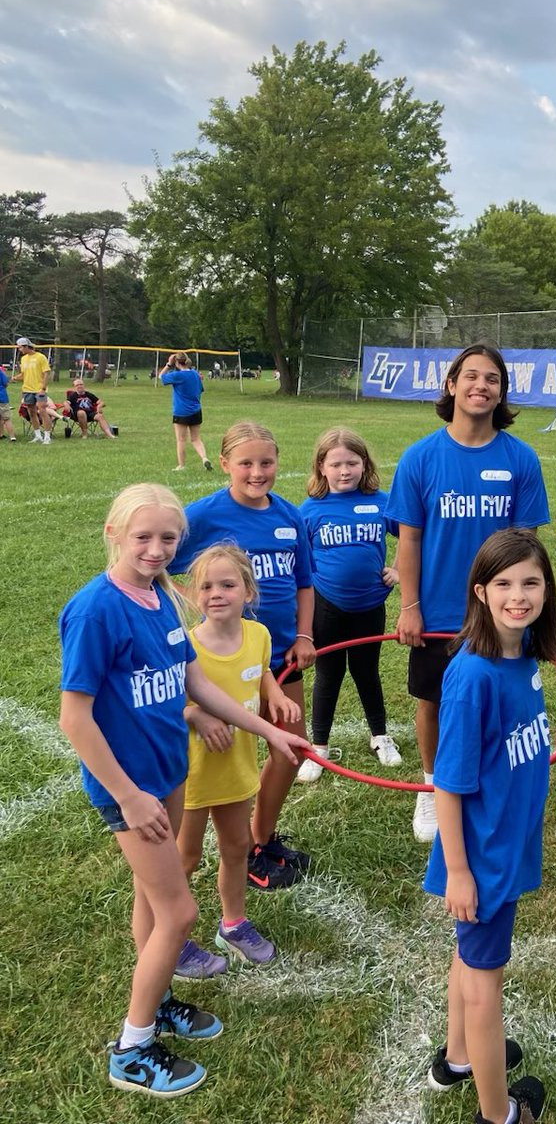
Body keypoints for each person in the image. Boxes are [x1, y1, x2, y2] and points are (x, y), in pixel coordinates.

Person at [58, 484, 307, 1097]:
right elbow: (76, 718)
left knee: (152, 902)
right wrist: (127, 795)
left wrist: (268, 731)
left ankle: (160, 996)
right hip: (131, 787)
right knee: (179, 910)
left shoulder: (164, 598)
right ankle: (132, 1050)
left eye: (168, 538)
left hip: (169, 772)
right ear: (113, 534)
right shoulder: (96, 610)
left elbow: (197, 684)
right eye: (143, 536)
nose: (156, 548)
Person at [424, 529, 556, 1124]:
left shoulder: (524, 650)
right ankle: (498, 1113)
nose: (519, 595)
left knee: (471, 962)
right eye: (503, 584)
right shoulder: (474, 676)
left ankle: (458, 1058)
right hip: (483, 858)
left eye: (531, 582)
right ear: (480, 592)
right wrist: (459, 871)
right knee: (486, 987)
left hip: (505, 842)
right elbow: (449, 787)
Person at [387, 344, 550, 843]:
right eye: (472, 376)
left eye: (493, 379)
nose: (482, 386)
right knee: (434, 701)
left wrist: (520, 607)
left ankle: (490, 779)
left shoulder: (519, 457)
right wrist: (409, 606)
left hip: (500, 612)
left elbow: (527, 545)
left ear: (501, 392)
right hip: (437, 611)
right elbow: (409, 540)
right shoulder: (421, 457)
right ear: (452, 385)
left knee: (500, 699)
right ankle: (433, 787)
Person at [169, 421, 316, 890]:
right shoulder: (203, 517)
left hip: (277, 655)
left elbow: (304, 583)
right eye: (246, 463)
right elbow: (161, 569)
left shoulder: (290, 517)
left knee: (289, 748)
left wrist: (305, 635)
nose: (257, 472)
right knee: (225, 752)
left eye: (266, 462)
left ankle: (261, 840)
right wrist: (198, 604)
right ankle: (206, 846)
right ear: (226, 462)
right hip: (220, 660)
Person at [175, 545, 302, 978]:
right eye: (206, 586)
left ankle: (233, 924)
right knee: (184, 857)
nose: (216, 593)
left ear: (248, 591)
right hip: (192, 774)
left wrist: (277, 694)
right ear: (194, 595)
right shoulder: (186, 644)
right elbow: (172, 703)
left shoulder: (259, 635)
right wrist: (197, 714)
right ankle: (170, 937)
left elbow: (261, 672)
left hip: (237, 767)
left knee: (236, 849)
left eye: (228, 584)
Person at [296, 427, 401, 782]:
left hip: (371, 605)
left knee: (367, 671)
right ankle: (319, 747)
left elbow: (415, 535)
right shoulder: (310, 510)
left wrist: (398, 568)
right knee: (329, 675)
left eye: (352, 463)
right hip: (328, 606)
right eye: (336, 464)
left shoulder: (382, 502)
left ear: (364, 464)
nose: (345, 471)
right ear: (321, 467)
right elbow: (300, 560)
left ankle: (380, 736)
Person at [160, 352, 212, 472]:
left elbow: (161, 377)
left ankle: (182, 465)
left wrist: (168, 364)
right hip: (196, 410)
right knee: (196, 439)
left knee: (181, 440)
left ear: (177, 362)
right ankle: (204, 458)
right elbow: (200, 390)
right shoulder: (195, 374)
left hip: (181, 412)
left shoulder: (177, 375)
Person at [13, 336, 52, 443]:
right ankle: (38, 435)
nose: (19, 350)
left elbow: (46, 373)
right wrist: (16, 377)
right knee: (31, 412)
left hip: (39, 389)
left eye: (20, 347)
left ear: (26, 346)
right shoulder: (23, 359)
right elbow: (24, 374)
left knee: (42, 411)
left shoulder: (40, 357)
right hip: (27, 389)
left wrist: (43, 388)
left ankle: (47, 437)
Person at [0, 363, 17, 441]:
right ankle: (12, 436)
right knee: (6, 418)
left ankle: (1, 434)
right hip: (2, 397)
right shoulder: (0, 372)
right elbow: (6, 383)